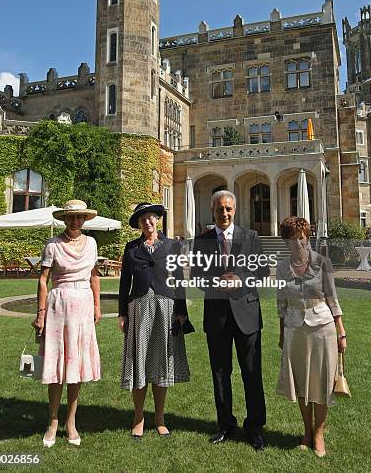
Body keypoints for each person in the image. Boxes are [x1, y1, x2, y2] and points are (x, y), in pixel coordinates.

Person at [192, 190, 269, 450]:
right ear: (212, 211)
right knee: (220, 374)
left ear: (234, 210)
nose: (223, 213)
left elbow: (262, 271)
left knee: (252, 373)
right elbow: (196, 276)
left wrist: (241, 280)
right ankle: (225, 425)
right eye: (219, 209)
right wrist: (217, 283)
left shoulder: (250, 237)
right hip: (217, 316)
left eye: (228, 209)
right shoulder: (201, 240)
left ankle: (255, 427)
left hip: (247, 314)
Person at [277, 216, 347, 458]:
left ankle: (319, 434)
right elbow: (281, 304)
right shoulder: (282, 266)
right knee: (302, 383)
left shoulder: (322, 262)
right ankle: (306, 431)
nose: (298, 244)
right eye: (292, 240)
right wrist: (281, 332)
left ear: (307, 238)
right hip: (294, 330)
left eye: (302, 238)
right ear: (285, 242)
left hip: (323, 327)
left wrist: (341, 332)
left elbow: (333, 299)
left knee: (322, 382)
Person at [118, 202, 190, 439]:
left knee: (161, 363)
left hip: (165, 307)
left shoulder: (172, 246)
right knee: (139, 362)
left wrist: (181, 312)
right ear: (138, 224)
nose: (147, 222)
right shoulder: (131, 249)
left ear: (157, 220)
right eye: (143, 219)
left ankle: (159, 418)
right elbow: (123, 284)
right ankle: (138, 417)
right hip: (138, 306)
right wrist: (122, 313)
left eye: (151, 218)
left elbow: (179, 279)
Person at [34, 200, 101, 448]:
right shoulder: (53, 244)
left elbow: (94, 275)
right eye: (71, 217)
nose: (75, 222)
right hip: (58, 306)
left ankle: (71, 422)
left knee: (77, 367)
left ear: (84, 220)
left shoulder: (92, 243)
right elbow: (43, 280)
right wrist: (41, 312)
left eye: (79, 218)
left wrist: (97, 306)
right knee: (55, 366)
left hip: (83, 306)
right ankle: (52, 421)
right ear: (64, 219)